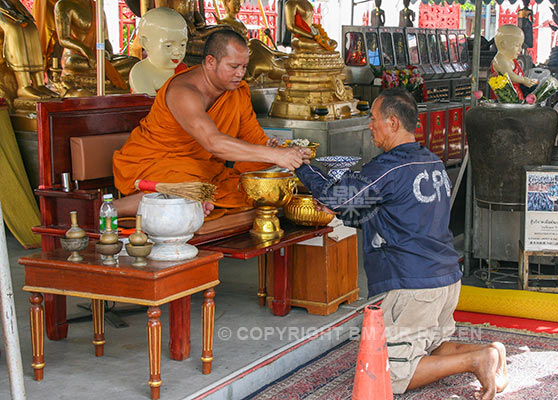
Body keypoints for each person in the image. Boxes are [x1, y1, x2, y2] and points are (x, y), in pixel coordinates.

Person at [295, 88, 508, 398]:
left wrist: (302, 166)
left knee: (390, 375)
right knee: (431, 347)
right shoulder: (432, 162)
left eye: (373, 119)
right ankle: (490, 352)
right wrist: (341, 207)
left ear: (392, 122)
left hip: (413, 284)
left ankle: (478, 359)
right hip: (444, 278)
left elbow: (337, 195)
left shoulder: (389, 167)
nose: (370, 126)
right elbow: (392, 214)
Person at [113, 30, 309, 216]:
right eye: (233, 67)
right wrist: (275, 155)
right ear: (210, 62)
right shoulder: (183, 92)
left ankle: (197, 200)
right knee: (191, 189)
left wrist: (286, 152)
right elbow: (213, 142)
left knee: (244, 190)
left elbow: (254, 138)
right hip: (150, 164)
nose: (240, 74)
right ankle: (113, 209)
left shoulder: (237, 92)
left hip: (202, 170)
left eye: (244, 67)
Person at [129, 7, 188, 96]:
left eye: (182, 44)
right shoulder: (140, 73)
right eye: (168, 46)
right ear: (145, 43)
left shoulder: (183, 70)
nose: (177, 52)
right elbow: (153, 107)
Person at [491, 25, 537, 100]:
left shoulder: (511, 59)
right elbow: (509, 75)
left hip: (516, 95)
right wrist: (523, 80)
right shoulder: (500, 59)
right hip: (505, 98)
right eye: (517, 45)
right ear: (503, 44)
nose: (520, 49)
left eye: (521, 45)